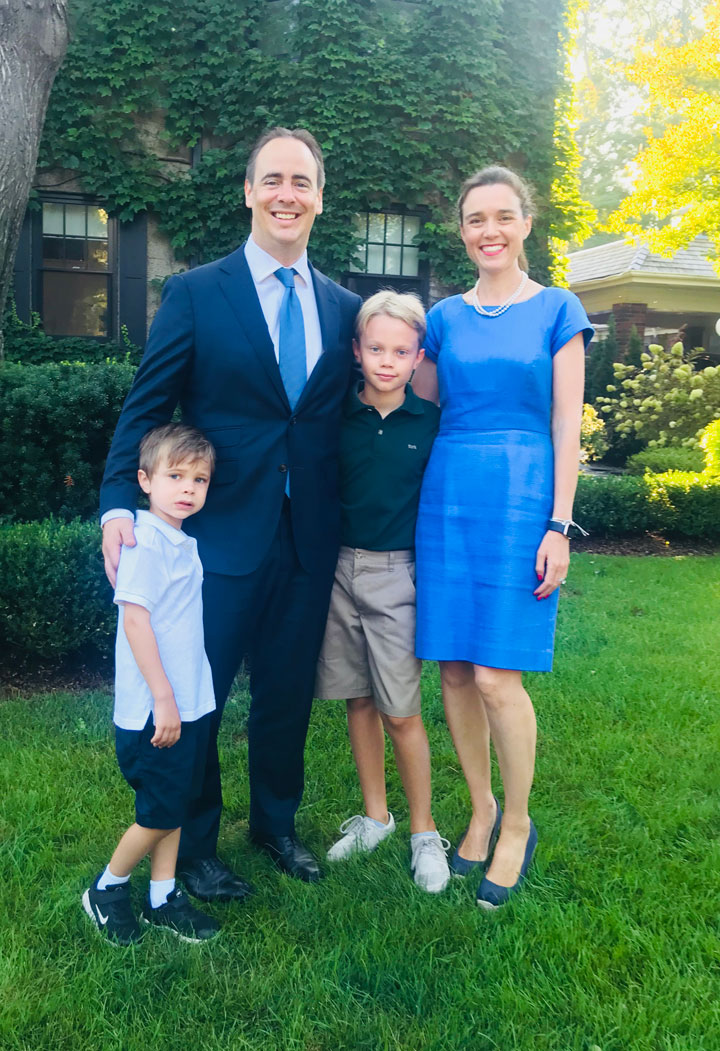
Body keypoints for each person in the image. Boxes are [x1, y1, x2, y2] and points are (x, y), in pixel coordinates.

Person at [100, 127, 361, 895]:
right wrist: (120, 501)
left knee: (284, 694)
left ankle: (276, 824)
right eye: (273, 179)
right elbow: (145, 407)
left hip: (309, 536)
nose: (288, 193)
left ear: (319, 198)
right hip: (215, 539)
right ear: (249, 191)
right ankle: (198, 841)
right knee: (201, 693)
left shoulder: (344, 308)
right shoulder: (197, 292)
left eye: (302, 182)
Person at [412, 166, 593, 908]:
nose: (489, 230)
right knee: (454, 670)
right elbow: (415, 406)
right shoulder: (442, 319)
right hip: (448, 492)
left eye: (502, 217)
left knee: (496, 675)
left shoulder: (558, 308)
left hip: (522, 497)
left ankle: (517, 821)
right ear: (461, 231)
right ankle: (479, 808)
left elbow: (566, 424)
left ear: (525, 224)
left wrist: (558, 523)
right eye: (475, 219)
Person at [315, 291, 450, 893]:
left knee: (400, 712)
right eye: (376, 348)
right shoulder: (337, 418)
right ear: (357, 351)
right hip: (338, 571)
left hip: (399, 575)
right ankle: (376, 817)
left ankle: (424, 832)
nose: (387, 361)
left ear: (419, 356)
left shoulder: (432, 423)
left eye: (401, 351)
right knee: (358, 700)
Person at [84, 423, 220, 945]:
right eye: (175, 476)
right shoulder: (144, 542)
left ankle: (163, 894)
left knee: (177, 801)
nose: (188, 488)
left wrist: (187, 698)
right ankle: (108, 887)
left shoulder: (181, 541)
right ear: (144, 480)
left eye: (199, 480)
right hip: (154, 709)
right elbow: (136, 622)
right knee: (158, 810)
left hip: (187, 702)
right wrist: (164, 697)